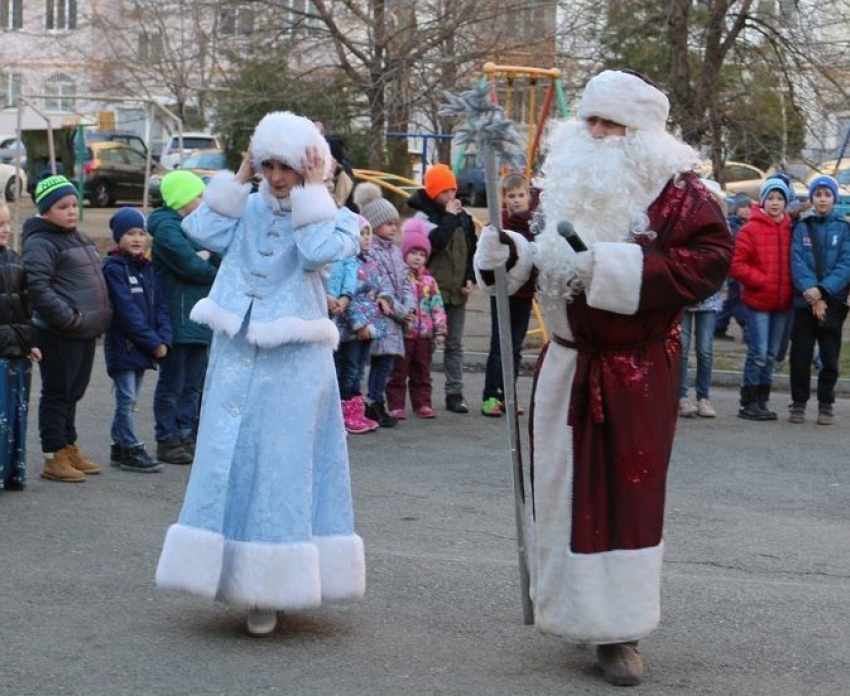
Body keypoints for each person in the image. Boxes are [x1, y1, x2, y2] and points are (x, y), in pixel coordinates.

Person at [473, 70, 731, 686]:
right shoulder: (565, 180)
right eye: (590, 120)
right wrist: (509, 255)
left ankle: (621, 630)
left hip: (635, 367)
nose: (595, 131)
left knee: (624, 495)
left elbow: (710, 263)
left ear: (642, 133)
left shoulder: (682, 195)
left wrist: (611, 267)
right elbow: (537, 252)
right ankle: (572, 611)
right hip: (565, 362)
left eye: (611, 123)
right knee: (563, 491)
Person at [155, 111, 365, 637]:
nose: (275, 176)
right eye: (268, 164)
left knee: (282, 467)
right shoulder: (246, 206)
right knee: (228, 458)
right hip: (235, 352)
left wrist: (314, 192)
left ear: (308, 167)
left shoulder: (334, 216)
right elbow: (199, 228)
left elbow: (318, 253)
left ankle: (272, 584)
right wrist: (240, 174)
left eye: (286, 167)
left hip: (295, 362)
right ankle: (224, 572)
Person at [22, 175, 112, 482]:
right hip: (60, 332)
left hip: (84, 332)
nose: (72, 211)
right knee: (57, 393)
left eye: (74, 205)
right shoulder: (40, 242)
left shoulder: (79, 238)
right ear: (46, 211)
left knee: (73, 392)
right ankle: (53, 455)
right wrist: (70, 318)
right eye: (63, 206)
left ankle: (68, 445)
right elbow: (38, 287)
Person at [149, 170, 219, 465]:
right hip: (177, 319)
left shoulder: (195, 227)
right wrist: (204, 260)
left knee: (194, 382)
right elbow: (192, 265)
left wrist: (205, 256)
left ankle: (187, 432)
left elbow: (216, 254)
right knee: (172, 382)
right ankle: (167, 437)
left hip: (199, 319)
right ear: (183, 198)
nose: (204, 201)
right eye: (198, 195)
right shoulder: (167, 228)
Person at [102, 208, 171, 473]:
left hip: (143, 346)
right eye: (130, 233)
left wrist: (164, 337)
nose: (137, 239)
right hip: (125, 346)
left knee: (130, 398)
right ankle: (130, 446)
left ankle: (119, 446)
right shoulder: (114, 268)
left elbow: (160, 306)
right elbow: (126, 312)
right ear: (119, 236)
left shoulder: (147, 268)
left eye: (142, 233)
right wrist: (153, 341)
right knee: (126, 398)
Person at [407, 163, 477, 413]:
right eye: (445, 191)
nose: (451, 196)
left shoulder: (464, 217)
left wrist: (470, 277)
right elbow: (436, 243)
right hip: (430, 294)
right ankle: (421, 393)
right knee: (426, 344)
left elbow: (471, 250)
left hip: (457, 291)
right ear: (433, 192)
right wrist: (449, 217)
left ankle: (454, 393)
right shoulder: (423, 219)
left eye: (453, 191)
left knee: (455, 344)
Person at [730, 176, 794, 421]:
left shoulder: (790, 229)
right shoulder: (750, 229)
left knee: (772, 354)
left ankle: (762, 400)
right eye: (771, 198)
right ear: (763, 201)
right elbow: (736, 265)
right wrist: (762, 281)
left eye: (780, 198)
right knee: (758, 352)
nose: (775, 203)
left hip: (782, 302)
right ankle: (748, 401)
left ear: (785, 202)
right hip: (758, 301)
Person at [788, 175, 850, 424]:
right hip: (805, 302)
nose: (822, 199)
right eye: (818, 194)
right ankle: (799, 403)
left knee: (829, 357)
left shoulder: (844, 228)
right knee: (800, 356)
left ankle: (826, 404)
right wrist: (813, 296)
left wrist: (823, 292)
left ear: (834, 198)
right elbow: (797, 262)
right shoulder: (802, 227)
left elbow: (846, 265)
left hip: (832, 302)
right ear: (811, 197)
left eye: (827, 194)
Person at [355, 182, 414, 427]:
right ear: (375, 224)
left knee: (387, 363)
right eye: (389, 224)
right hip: (383, 318)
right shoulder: (374, 253)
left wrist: (409, 307)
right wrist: (400, 311)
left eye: (395, 224)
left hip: (396, 318)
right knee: (380, 363)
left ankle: (376, 401)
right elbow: (382, 285)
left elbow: (406, 280)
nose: (394, 228)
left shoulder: (395, 251)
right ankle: (373, 401)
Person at [480, 172, 536, 417]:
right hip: (502, 292)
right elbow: (489, 253)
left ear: (528, 197)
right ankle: (491, 395)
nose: (516, 200)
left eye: (521, 195)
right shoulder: (499, 222)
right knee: (499, 344)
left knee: (515, 345)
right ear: (504, 198)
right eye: (511, 196)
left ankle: (509, 395)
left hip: (524, 292)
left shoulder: (533, 223)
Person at [386, 217, 447, 419]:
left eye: (422, 254)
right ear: (404, 253)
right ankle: (395, 404)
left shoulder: (429, 281)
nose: (418, 258)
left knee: (422, 372)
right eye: (413, 253)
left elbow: (437, 306)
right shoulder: (401, 278)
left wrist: (440, 330)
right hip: (404, 333)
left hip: (424, 335)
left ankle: (422, 403)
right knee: (398, 372)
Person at [329, 215, 385, 434]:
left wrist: (385, 298)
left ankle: (356, 411)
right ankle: (346, 412)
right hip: (352, 330)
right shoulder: (348, 262)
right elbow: (350, 294)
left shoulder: (371, 261)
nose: (366, 238)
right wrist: (358, 323)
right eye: (362, 233)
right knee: (349, 368)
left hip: (369, 326)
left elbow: (379, 286)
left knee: (360, 368)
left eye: (368, 233)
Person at [0, 201, 41, 490]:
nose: (5, 230)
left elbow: (24, 309)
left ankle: (13, 470)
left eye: (6, 224)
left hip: (17, 350)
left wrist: (30, 343)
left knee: (15, 411)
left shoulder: (15, 260)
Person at [679, 181, 725, 419]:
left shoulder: (721, 230)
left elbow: (723, 263)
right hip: (686, 297)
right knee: (683, 348)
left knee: (705, 349)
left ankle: (703, 397)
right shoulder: (684, 227)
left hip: (709, 298)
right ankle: (681, 397)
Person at [714, 192, 752, 341]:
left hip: (743, 269)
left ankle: (718, 327)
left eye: (749, 206)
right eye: (742, 207)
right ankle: (747, 330)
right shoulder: (732, 226)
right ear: (735, 209)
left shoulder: (749, 224)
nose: (746, 210)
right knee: (738, 302)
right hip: (734, 270)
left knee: (730, 302)